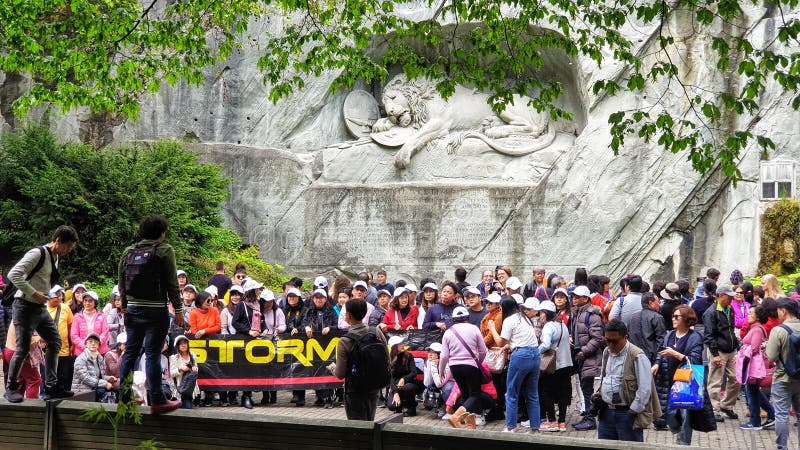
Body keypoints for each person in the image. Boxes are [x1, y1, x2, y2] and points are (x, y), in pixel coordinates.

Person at [4, 225, 79, 403]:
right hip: (23, 306)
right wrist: (33, 293)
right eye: (67, 246)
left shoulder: (55, 257)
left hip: (39, 307)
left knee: (55, 341)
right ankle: (11, 388)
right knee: (22, 348)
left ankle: (52, 387)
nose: (68, 251)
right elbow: (13, 274)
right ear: (58, 241)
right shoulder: (37, 253)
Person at [118, 215, 183, 414]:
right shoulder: (165, 250)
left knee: (130, 352)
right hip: (155, 310)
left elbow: (121, 280)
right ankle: (157, 400)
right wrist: (178, 309)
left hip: (132, 310)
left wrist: (124, 305)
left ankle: (124, 399)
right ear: (162, 233)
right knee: (153, 354)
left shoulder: (129, 251)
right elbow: (172, 282)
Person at [597, 319, 660, 442]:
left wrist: (633, 410)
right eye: (607, 340)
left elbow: (645, 388)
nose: (610, 345)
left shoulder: (637, 355)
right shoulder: (606, 352)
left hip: (626, 414)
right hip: (606, 412)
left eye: (614, 341)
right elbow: (603, 376)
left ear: (625, 337)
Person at [327, 298, 388, 420]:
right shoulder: (375, 332)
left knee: (357, 428)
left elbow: (340, 374)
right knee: (370, 422)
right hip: (374, 386)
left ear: (348, 315)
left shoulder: (344, 341)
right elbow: (386, 358)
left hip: (355, 390)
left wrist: (333, 368)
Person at [652, 305, 704, 445]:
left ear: (686, 319)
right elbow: (661, 352)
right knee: (670, 414)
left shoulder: (695, 337)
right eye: (673, 316)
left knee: (684, 416)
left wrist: (675, 354)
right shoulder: (670, 334)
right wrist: (657, 363)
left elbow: (695, 360)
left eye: (677, 317)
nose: (673, 319)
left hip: (685, 383)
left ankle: (683, 445)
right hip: (668, 381)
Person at [490, 297, 540, 432]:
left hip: (520, 356)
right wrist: (505, 348)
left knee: (511, 393)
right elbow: (518, 339)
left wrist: (492, 328)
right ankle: (535, 428)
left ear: (503, 308)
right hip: (535, 354)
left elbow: (500, 341)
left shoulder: (509, 320)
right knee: (532, 394)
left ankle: (510, 427)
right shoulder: (525, 318)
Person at [440, 306, 488, 429]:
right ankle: (456, 416)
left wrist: (441, 370)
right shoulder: (474, 328)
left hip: (454, 367)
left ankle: (470, 425)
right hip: (470, 365)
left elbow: (444, 355)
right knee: (475, 394)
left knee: (466, 395)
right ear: (467, 317)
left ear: (453, 319)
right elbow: (483, 350)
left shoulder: (448, 332)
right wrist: (478, 362)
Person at [703, 284, 740, 422]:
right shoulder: (711, 312)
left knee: (737, 378)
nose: (731, 299)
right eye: (729, 296)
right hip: (718, 351)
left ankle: (727, 405)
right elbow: (708, 335)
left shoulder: (729, 309)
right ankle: (714, 409)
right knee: (715, 381)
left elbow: (731, 330)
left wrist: (736, 349)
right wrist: (715, 354)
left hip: (731, 350)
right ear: (720, 295)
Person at [570, 285, 605, 431]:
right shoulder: (577, 312)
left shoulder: (593, 315)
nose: (574, 299)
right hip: (581, 356)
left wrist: (583, 351)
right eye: (574, 297)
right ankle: (588, 417)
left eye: (577, 297)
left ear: (585, 298)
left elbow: (597, 338)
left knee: (587, 389)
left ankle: (591, 419)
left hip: (589, 357)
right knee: (585, 388)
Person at [767, 298, 800, 450]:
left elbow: (771, 356)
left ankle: (782, 447)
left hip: (782, 378)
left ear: (784, 311)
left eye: (778, 311)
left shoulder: (778, 330)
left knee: (782, 415)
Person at [536, 300, 572, 432]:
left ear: (546, 313)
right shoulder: (562, 324)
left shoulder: (548, 326)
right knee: (563, 393)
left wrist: (535, 352)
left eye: (541, 313)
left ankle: (551, 421)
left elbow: (545, 344)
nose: (539, 316)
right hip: (566, 364)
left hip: (553, 365)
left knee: (548, 392)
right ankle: (561, 422)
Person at [739, 305, 775, 430]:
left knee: (752, 392)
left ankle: (755, 421)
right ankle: (771, 414)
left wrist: (742, 352)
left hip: (752, 366)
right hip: (751, 365)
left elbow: (754, 348)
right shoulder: (755, 328)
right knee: (754, 392)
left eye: (751, 314)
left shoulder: (757, 329)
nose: (748, 316)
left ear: (758, 316)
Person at [46, 285, 75, 395]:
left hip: (64, 348)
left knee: (63, 374)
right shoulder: (43, 309)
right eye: (56, 295)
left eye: (60, 295)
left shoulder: (65, 308)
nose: (59, 298)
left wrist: (72, 343)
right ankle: (49, 393)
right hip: (48, 350)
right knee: (49, 374)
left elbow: (70, 326)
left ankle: (62, 392)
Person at [72, 333, 118, 402]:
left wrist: (108, 378)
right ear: (86, 344)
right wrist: (105, 383)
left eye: (96, 342)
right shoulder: (81, 358)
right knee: (105, 392)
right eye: (90, 341)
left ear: (99, 345)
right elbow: (86, 378)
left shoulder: (99, 358)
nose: (93, 344)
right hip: (82, 391)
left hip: (93, 388)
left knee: (116, 387)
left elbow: (98, 376)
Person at [260, 289, 285, 406]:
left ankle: (274, 393)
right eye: (266, 301)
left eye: (271, 301)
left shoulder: (278, 311)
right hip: (262, 343)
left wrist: (279, 329)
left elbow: (283, 325)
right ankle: (265, 394)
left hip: (274, 342)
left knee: (273, 369)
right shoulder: (259, 312)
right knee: (264, 370)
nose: (269, 303)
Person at [627, 292, 667, 364]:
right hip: (651, 359)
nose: (659, 304)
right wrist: (658, 361)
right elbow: (662, 341)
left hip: (634, 357)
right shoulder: (657, 317)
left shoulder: (632, 317)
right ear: (651, 303)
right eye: (658, 302)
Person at [387, 335, 419, 416]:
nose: (403, 345)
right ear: (394, 347)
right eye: (400, 344)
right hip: (396, 386)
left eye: (402, 343)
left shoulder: (409, 356)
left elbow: (414, 372)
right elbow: (390, 378)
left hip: (410, 383)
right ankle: (400, 406)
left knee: (407, 388)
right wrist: (395, 392)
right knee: (392, 406)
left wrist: (404, 379)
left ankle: (411, 407)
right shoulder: (389, 359)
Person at [70, 290, 109, 357]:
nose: (87, 303)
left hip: (100, 351)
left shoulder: (101, 316)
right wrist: (85, 346)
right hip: (82, 353)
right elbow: (74, 335)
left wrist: (96, 344)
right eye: (85, 300)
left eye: (90, 301)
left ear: (95, 303)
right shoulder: (77, 317)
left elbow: (105, 333)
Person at [169, 335, 199, 409]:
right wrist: (180, 369)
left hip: (191, 387)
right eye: (181, 343)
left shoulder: (192, 355)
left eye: (185, 343)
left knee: (188, 407)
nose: (183, 345)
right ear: (177, 346)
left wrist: (195, 369)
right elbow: (171, 373)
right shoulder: (174, 358)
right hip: (181, 387)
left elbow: (196, 368)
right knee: (188, 408)